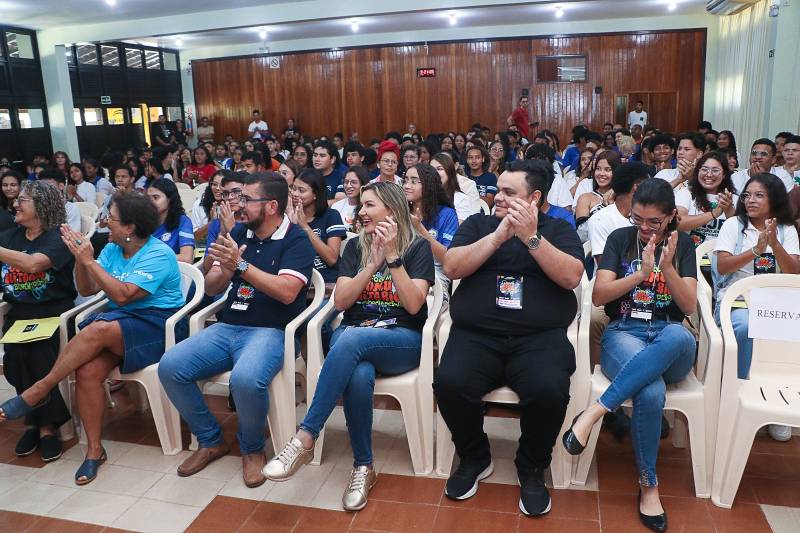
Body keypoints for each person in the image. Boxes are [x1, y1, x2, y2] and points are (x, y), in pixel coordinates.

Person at [264, 181, 434, 511]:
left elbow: (414, 305)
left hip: (401, 340)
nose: (361, 212)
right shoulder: (355, 247)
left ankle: (306, 435)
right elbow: (341, 302)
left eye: (370, 205)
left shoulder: (417, 248)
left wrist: (392, 257)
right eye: (361, 205)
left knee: (350, 337)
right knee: (358, 372)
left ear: (392, 209)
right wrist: (371, 265)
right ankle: (363, 468)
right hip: (356, 337)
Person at [0, 191, 185, 485]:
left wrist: (90, 261)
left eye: (111, 218)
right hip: (118, 324)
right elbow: (86, 290)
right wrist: (80, 260)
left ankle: (40, 389)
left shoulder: (157, 254)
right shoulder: (112, 248)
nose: (105, 222)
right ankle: (94, 451)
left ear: (130, 227)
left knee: (98, 328)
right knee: (87, 371)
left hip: (157, 326)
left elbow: (123, 296)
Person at [434, 158, 584, 516]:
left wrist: (530, 238)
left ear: (534, 198)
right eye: (497, 189)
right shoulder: (478, 224)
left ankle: (531, 466)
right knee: (450, 382)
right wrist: (498, 236)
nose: (497, 196)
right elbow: (452, 267)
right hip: (477, 335)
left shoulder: (558, 229)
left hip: (538, 339)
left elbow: (571, 277)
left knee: (549, 390)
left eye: (508, 192)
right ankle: (474, 456)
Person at [159, 173, 314, 488]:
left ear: (271, 206)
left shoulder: (296, 239)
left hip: (271, 331)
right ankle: (210, 439)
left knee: (245, 380)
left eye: (247, 199)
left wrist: (241, 266)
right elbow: (212, 286)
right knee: (170, 366)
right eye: (239, 198)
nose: (239, 205)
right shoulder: (240, 232)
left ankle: (252, 449)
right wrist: (224, 268)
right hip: (228, 325)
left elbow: (287, 292)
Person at [563, 179, 698, 532]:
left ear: (671, 216)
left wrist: (667, 268)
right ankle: (649, 484)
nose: (644, 227)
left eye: (654, 221)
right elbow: (599, 296)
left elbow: (688, 306)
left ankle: (595, 410)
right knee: (650, 391)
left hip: (669, 337)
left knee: (679, 335)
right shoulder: (620, 239)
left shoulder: (682, 244)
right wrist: (640, 274)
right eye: (637, 219)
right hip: (624, 331)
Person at [712, 173, 800, 442]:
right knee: (746, 326)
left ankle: (780, 403)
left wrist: (774, 244)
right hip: (737, 299)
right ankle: (739, 395)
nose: (750, 200)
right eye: (747, 195)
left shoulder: (787, 230)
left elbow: (794, 272)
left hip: (777, 302)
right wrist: (756, 250)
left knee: (788, 330)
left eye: (759, 195)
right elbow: (721, 267)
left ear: (774, 199)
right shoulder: (733, 226)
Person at [0, 181, 77, 462]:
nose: (15, 204)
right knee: (15, 359)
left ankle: (44, 428)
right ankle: (36, 420)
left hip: (54, 312)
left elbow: (33, 264)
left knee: (40, 355)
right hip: (20, 312)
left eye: (22, 200)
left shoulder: (59, 237)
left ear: (42, 206)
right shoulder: (9, 237)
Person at [403, 163, 458, 293]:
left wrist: (420, 229)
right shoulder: (400, 212)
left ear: (428, 185)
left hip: (435, 276)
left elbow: (447, 260)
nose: (407, 186)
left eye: (414, 182)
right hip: (403, 271)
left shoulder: (446, 214)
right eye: (405, 180)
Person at [289, 169, 346, 288]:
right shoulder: (288, 216)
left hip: (327, 283)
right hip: (296, 282)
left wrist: (305, 226)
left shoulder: (331, 215)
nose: (295, 193)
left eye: (301, 190)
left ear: (315, 194)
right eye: (293, 188)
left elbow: (332, 259)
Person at [675, 151, 737, 245]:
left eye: (715, 170)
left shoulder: (733, 199)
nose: (709, 174)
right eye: (704, 169)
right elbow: (678, 223)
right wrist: (712, 214)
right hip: (690, 252)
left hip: (722, 252)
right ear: (698, 172)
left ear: (724, 174)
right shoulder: (686, 193)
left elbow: (740, 232)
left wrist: (729, 210)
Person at [575, 152, 621, 241]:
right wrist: (604, 207)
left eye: (607, 170)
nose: (601, 173)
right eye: (598, 169)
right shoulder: (585, 198)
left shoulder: (623, 199)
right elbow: (582, 235)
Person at [92, 166, 136, 257]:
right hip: (109, 232)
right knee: (94, 239)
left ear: (132, 179)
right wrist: (115, 199)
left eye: (124, 177)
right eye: (117, 177)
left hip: (130, 232)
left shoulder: (138, 198)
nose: (120, 179)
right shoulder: (109, 198)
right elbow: (102, 224)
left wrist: (123, 198)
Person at [147, 179, 194, 263]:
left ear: (170, 199)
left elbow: (187, 258)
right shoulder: (143, 221)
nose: (150, 202)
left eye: (155, 197)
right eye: (148, 198)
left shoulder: (183, 221)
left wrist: (153, 257)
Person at [431, 152, 478, 223]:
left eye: (439, 169)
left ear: (450, 172)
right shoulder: (424, 195)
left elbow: (459, 227)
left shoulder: (460, 198)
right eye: (431, 169)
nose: (434, 172)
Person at [190, 169, 227, 241]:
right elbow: (194, 237)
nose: (217, 188)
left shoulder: (234, 204)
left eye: (222, 185)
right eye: (214, 184)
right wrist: (212, 223)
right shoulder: (199, 204)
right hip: (203, 245)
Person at [332, 166, 370, 231]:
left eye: (354, 182)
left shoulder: (369, 208)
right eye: (346, 182)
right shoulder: (336, 206)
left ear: (363, 184)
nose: (348, 186)